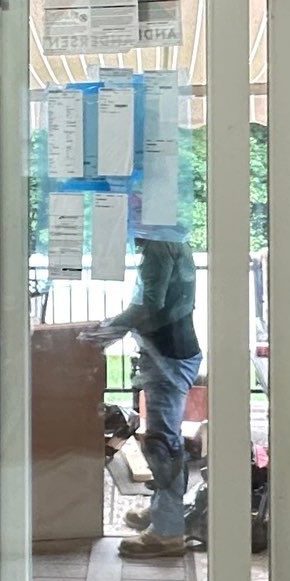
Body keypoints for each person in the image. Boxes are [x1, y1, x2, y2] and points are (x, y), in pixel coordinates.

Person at [88, 232, 199, 559]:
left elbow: (149, 305)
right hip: (170, 351)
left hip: (169, 354)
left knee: (163, 443)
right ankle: (167, 511)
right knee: (164, 438)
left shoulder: (159, 244)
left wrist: (105, 331)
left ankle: (167, 532)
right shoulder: (169, 240)